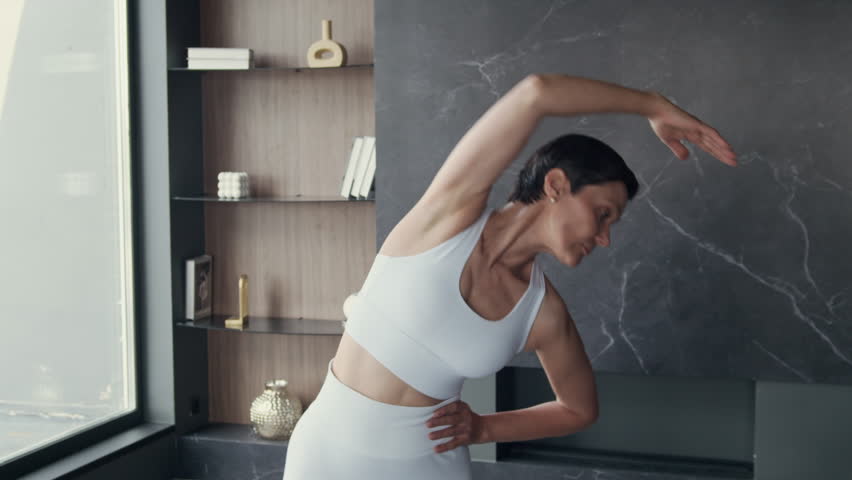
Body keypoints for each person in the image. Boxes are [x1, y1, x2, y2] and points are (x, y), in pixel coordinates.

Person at [282, 74, 737, 479]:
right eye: (602, 214)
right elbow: (534, 94)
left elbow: (579, 409)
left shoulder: (542, 312)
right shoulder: (445, 217)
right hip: (325, 456)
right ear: (556, 185)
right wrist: (652, 104)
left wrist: (484, 428)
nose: (604, 238)